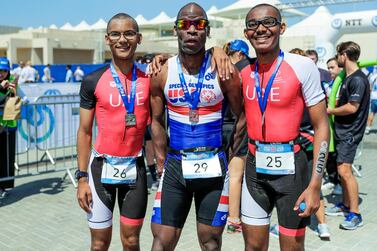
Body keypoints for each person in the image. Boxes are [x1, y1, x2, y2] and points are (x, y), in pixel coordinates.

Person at [150, 3, 242, 250]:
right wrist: (160, 161)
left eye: (199, 24)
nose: (192, 30)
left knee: (210, 242)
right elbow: (156, 120)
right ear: (175, 30)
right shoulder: (162, 71)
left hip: (214, 166)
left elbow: (242, 115)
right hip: (175, 166)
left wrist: (232, 154)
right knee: (161, 240)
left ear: (207, 31)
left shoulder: (223, 70)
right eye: (185, 24)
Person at [238, 4, 329, 250]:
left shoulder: (302, 66)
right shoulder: (242, 69)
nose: (261, 29)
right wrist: (214, 51)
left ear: (282, 27)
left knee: (292, 246)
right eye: (253, 25)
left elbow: (322, 126)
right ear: (246, 33)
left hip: (293, 171)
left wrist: (315, 185)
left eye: (268, 22)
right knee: (253, 246)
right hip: (255, 169)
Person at [76, 13, 150, 250]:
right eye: (116, 34)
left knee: (131, 241)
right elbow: (85, 132)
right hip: (100, 170)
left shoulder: (151, 78)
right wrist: (81, 178)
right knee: (99, 244)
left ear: (139, 38)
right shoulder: (92, 80)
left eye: (129, 33)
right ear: (107, 39)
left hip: (135, 170)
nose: (122, 40)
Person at [327, 41, 370, 230]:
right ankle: (345, 205)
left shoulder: (358, 79)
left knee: (345, 172)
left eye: (338, 55)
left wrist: (331, 110)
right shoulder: (348, 77)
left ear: (344, 54)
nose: (337, 58)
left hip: (350, 133)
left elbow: (353, 107)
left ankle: (355, 214)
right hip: (343, 131)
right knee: (341, 171)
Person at [222, 39, 250, 234]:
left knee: (226, 174)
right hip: (239, 126)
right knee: (236, 175)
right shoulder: (245, 70)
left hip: (221, 125)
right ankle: (233, 218)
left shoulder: (222, 69)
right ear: (241, 54)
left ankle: (224, 211)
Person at [0, 57, 17, 198]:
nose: (1, 74)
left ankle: (6, 185)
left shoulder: (12, 81)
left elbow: (14, 101)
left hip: (9, 127)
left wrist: (12, 89)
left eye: (4, 71)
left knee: (8, 157)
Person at [366, 67, 377, 134]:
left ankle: (368, 128)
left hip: (373, 97)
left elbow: (370, 87)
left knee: (372, 112)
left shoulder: (373, 77)